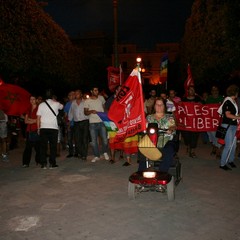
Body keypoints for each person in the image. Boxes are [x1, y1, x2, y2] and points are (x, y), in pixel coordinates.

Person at [138, 97, 177, 172]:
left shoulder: (169, 117)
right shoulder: (149, 117)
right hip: (151, 141)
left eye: (161, 105)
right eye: (157, 104)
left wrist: (170, 129)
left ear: (164, 106)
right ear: (154, 106)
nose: (159, 106)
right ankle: (141, 172)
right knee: (142, 148)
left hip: (166, 140)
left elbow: (173, 126)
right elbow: (144, 126)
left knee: (169, 151)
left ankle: (162, 172)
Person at [37, 90, 63, 169]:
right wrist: (55, 101)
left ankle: (43, 164)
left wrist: (38, 128)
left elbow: (38, 118)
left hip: (43, 127)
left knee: (43, 146)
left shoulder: (41, 105)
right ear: (52, 96)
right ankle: (52, 163)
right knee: (53, 146)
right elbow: (62, 106)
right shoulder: (56, 104)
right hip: (53, 128)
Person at [84, 86, 110, 162]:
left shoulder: (101, 98)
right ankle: (96, 155)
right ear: (91, 91)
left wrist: (106, 115)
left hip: (102, 122)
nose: (97, 92)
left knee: (105, 140)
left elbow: (104, 108)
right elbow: (85, 112)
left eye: (97, 90)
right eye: (95, 90)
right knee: (94, 141)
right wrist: (91, 111)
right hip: (92, 123)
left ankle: (105, 152)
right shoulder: (87, 101)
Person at [218, 84, 240, 171]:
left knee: (233, 145)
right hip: (228, 126)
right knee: (228, 145)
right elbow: (227, 115)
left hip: (233, 126)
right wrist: (238, 117)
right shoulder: (228, 101)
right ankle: (222, 164)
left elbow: (233, 114)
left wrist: (237, 116)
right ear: (235, 92)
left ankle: (230, 160)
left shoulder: (233, 101)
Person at [181, 85, 202, 158]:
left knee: (194, 136)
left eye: (193, 90)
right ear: (188, 91)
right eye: (190, 90)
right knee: (186, 136)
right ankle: (188, 146)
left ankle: (192, 151)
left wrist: (200, 105)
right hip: (186, 122)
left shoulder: (198, 99)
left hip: (195, 122)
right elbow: (180, 109)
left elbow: (204, 108)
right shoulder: (184, 99)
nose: (192, 91)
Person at [68, 90, 89, 160]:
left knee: (84, 138)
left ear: (81, 94)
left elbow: (88, 111)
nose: (76, 95)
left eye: (77, 93)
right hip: (76, 123)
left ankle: (84, 154)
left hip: (85, 122)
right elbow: (70, 113)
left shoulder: (85, 101)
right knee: (77, 139)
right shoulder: (73, 103)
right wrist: (69, 122)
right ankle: (82, 153)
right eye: (75, 93)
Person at [22, 95, 40, 167]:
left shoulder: (39, 108)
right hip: (29, 130)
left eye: (33, 99)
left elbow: (40, 120)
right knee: (28, 148)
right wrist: (34, 120)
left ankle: (38, 160)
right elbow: (25, 121)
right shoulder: (28, 109)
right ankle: (25, 163)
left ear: (36, 100)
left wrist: (32, 120)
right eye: (30, 99)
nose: (32, 101)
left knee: (38, 147)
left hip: (36, 130)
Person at [206, 85, 224, 157]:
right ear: (211, 92)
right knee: (212, 136)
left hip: (220, 121)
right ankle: (214, 147)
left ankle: (218, 151)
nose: (215, 92)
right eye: (213, 90)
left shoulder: (222, 98)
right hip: (211, 122)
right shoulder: (209, 99)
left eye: (216, 90)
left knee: (219, 135)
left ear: (218, 91)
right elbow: (205, 109)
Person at [64, 91, 75, 158]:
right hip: (70, 124)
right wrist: (66, 122)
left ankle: (77, 152)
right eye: (70, 95)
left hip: (77, 123)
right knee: (69, 138)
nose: (72, 96)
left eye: (73, 95)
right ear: (68, 96)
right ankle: (71, 152)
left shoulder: (77, 102)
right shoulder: (67, 104)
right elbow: (65, 115)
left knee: (77, 138)